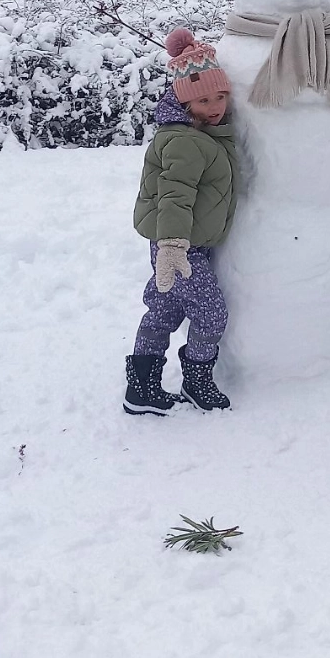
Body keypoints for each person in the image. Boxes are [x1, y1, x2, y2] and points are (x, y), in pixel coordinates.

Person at [125, 28, 238, 415]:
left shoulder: (197, 135)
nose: (215, 106)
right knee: (210, 312)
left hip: (176, 241)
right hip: (179, 245)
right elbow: (174, 194)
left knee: (164, 309)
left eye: (220, 96)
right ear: (184, 101)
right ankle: (198, 381)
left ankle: (141, 389)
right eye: (204, 99)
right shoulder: (186, 141)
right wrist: (173, 246)